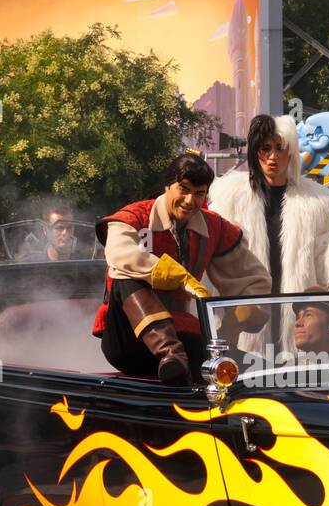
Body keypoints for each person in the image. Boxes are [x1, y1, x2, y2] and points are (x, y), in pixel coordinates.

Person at [94, 152, 270, 384]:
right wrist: (179, 277)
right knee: (125, 275)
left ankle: (296, 377)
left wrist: (236, 318)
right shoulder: (134, 216)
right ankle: (170, 353)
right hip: (127, 338)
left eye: (199, 193)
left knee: (259, 371)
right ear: (167, 186)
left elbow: (255, 278)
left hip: (182, 333)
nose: (190, 200)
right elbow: (119, 253)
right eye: (183, 190)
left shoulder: (214, 227)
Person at [208, 114, 329, 353]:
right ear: (255, 152)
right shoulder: (229, 197)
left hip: (298, 326)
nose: (272, 156)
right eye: (265, 148)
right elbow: (213, 257)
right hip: (242, 320)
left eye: (279, 148)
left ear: (291, 151)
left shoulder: (316, 202)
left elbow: (323, 267)